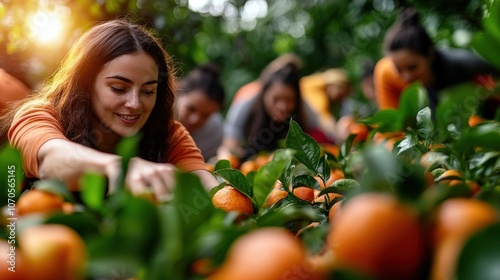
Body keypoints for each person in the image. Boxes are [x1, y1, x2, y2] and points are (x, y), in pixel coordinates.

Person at [0, 19, 219, 198]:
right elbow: (51, 160)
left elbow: (209, 190)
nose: (134, 103)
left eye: (148, 91)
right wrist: (117, 168)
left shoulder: (169, 134)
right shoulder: (39, 115)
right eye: (118, 88)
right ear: (86, 84)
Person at [374, 7, 500, 112]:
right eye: (398, 69)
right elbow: (391, 126)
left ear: (430, 55)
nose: (406, 77)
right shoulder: (386, 73)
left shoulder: (465, 66)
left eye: (412, 67)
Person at [218, 61, 324, 162]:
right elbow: (229, 145)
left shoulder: (304, 109)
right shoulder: (246, 104)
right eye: (276, 99)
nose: (282, 106)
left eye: (288, 100)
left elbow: (323, 127)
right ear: (264, 94)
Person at [174, 63, 225, 161]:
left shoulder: (214, 132)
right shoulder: (152, 114)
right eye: (191, 109)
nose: (195, 120)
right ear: (177, 93)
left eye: (205, 116)